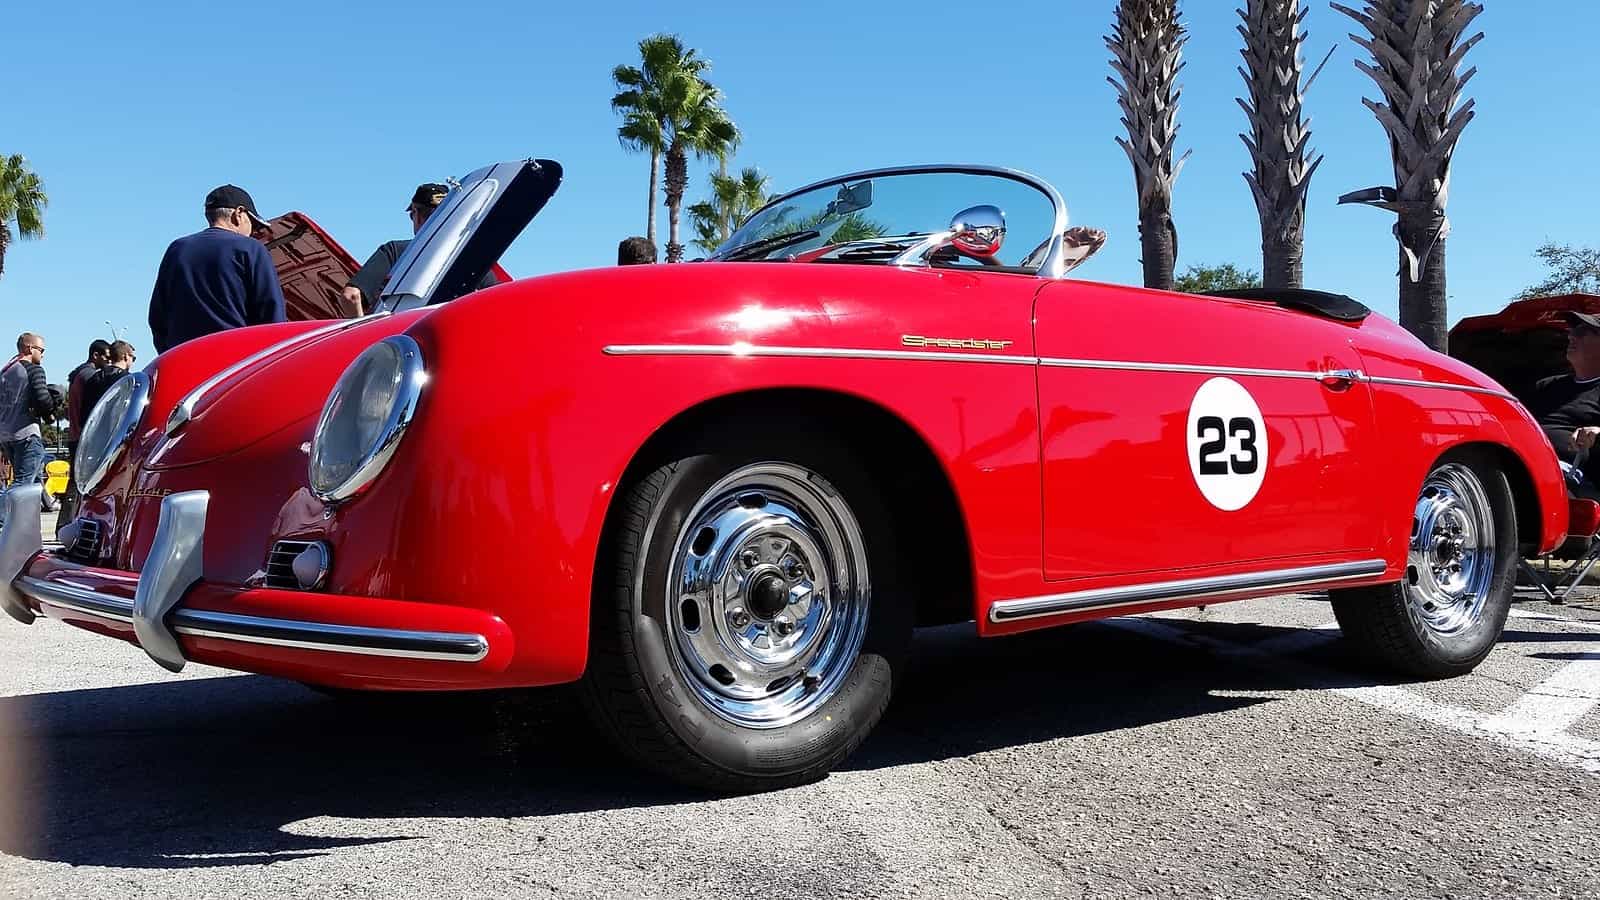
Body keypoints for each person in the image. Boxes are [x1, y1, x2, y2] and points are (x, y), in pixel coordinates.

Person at [148, 185, 286, 354]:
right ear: (239, 214)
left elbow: (158, 316)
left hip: (183, 358)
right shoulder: (250, 248)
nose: (253, 232)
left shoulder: (177, 249)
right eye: (254, 225)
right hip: (233, 360)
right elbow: (272, 316)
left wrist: (169, 353)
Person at [341, 183, 499, 314]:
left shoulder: (394, 251)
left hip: (399, 342)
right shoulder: (470, 258)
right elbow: (496, 303)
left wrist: (365, 339)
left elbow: (351, 296)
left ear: (416, 214)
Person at [1528, 311, 1600, 497]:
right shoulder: (1547, 385)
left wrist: (1597, 431)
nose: (1571, 335)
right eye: (1572, 330)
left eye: (1583, 331)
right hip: (1523, 459)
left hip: (1569, 478)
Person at [0, 333, 61, 514]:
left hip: (6, 435)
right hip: (27, 433)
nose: (43, 355)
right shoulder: (34, 370)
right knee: (22, 485)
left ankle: (29, 528)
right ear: (29, 348)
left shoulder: (5, 371)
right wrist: (53, 401)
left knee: (33, 481)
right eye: (41, 350)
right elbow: (43, 401)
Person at [57, 338, 112, 526]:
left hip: (75, 435)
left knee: (75, 481)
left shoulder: (77, 375)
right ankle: (69, 522)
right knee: (81, 482)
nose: (109, 362)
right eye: (106, 357)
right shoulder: (90, 376)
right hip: (83, 436)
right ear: (95, 355)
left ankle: (65, 522)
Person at [78, 341, 137, 422]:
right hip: (117, 430)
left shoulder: (94, 378)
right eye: (133, 358)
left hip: (95, 431)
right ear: (126, 356)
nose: (132, 362)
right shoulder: (129, 380)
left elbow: (83, 416)